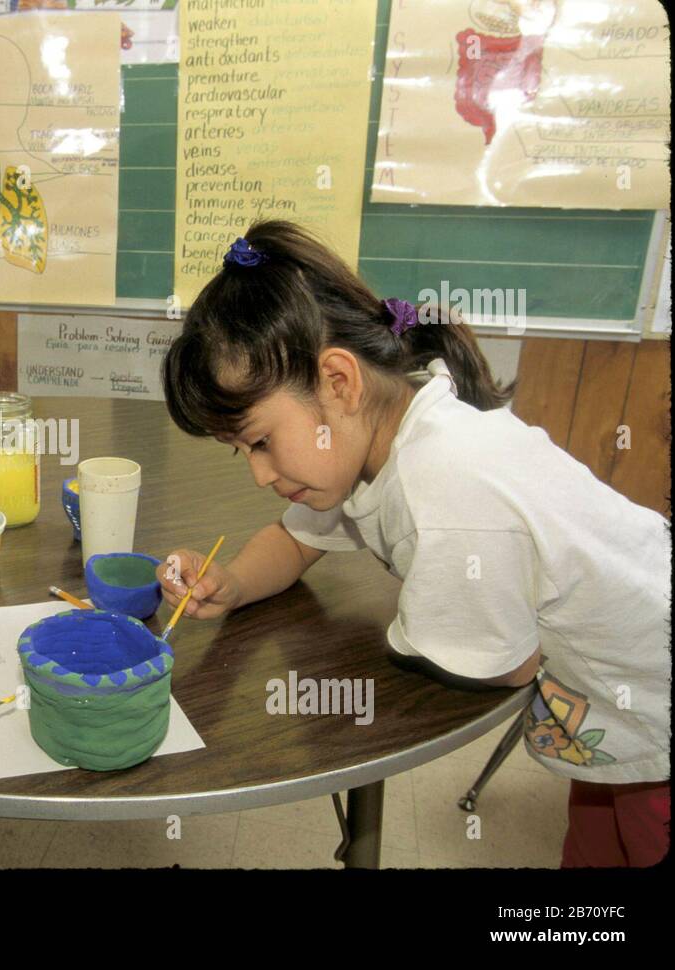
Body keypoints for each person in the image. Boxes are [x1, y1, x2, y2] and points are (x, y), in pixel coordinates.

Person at [156, 220, 670, 867]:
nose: (259, 473)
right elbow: (292, 544)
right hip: (610, 707)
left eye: (260, 441)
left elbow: (502, 663)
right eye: (243, 454)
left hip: (654, 696)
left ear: (338, 382)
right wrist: (230, 582)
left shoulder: (442, 486)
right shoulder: (370, 434)